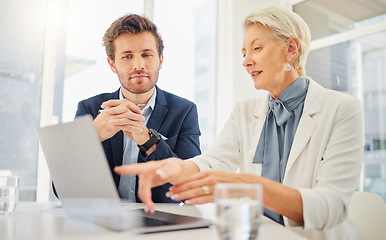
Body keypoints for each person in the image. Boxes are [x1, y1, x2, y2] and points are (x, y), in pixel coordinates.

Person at [114, 6, 363, 240]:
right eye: (244, 53)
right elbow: (213, 161)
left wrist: (246, 185)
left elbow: (329, 206)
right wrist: (177, 169)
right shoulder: (245, 111)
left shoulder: (341, 109)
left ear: (291, 48)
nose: (246, 61)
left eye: (256, 48)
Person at [72, 14, 201, 204]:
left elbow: (191, 188)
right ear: (112, 64)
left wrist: (148, 140)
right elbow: (62, 190)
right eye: (127, 56)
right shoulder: (89, 109)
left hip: (159, 227)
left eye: (147, 54)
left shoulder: (184, 111)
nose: (138, 65)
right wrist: (92, 136)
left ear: (161, 60)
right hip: (103, 226)